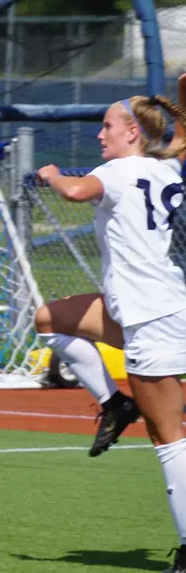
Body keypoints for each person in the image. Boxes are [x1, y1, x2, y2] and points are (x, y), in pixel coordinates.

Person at [35, 93, 186, 572]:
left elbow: (76, 192)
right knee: (48, 320)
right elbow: (178, 143)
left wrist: (52, 174)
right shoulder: (169, 169)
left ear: (132, 132)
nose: (101, 134)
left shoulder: (122, 171)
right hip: (145, 305)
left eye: (107, 126)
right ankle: (114, 404)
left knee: (169, 435)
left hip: (150, 313)